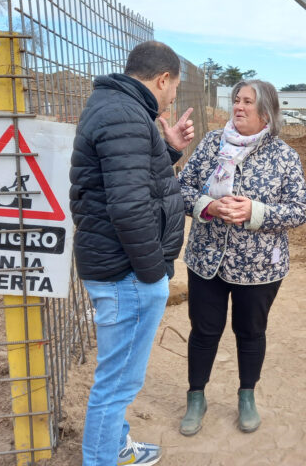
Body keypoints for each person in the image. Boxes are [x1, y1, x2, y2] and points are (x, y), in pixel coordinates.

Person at [70, 41, 194, 466]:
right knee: (118, 383)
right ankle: (102, 459)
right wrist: (153, 274)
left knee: (119, 377)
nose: (173, 96)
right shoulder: (125, 114)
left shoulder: (118, 107)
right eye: (174, 87)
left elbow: (133, 181)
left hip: (117, 265)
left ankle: (116, 446)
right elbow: (128, 207)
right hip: (127, 272)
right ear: (163, 79)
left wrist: (169, 149)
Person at [177, 80, 306, 436]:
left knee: (251, 332)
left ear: (266, 112)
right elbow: (181, 188)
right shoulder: (211, 145)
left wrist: (255, 211)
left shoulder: (284, 156)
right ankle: (196, 396)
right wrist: (207, 206)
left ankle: (246, 395)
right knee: (204, 330)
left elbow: (299, 211)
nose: (239, 106)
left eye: (248, 102)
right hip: (207, 259)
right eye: (237, 99)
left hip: (260, 266)